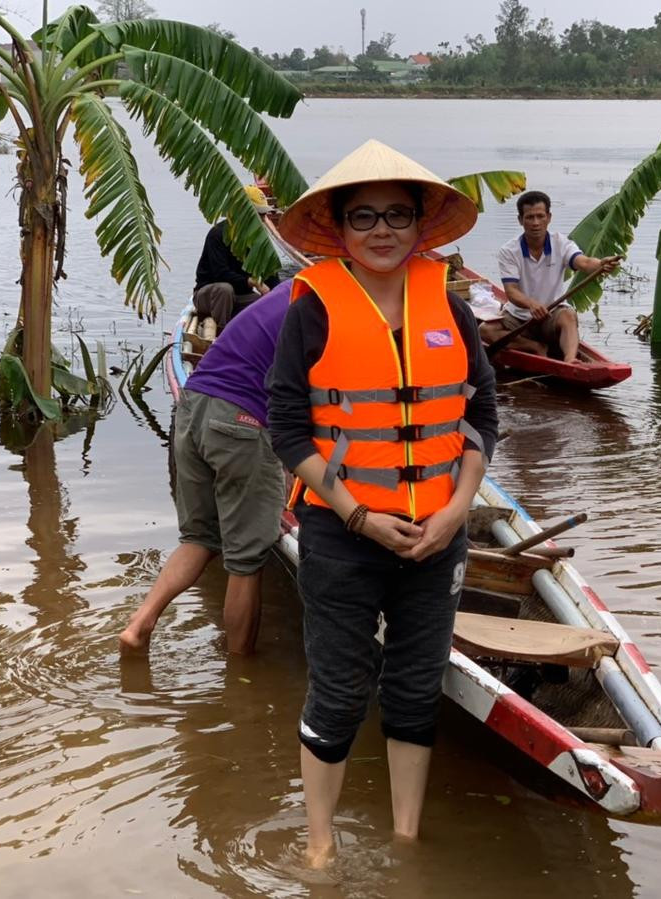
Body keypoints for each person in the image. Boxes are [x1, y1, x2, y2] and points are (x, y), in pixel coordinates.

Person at [266, 139, 498, 868]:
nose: (381, 229)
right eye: (363, 215)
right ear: (338, 227)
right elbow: (286, 426)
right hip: (343, 531)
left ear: (420, 223)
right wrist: (360, 514)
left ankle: (405, 838)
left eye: (397, 214)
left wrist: (457, 511)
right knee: (338, 689)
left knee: (413, 686)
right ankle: (319, 844)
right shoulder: (313, 309)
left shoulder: (450, 309)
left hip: (438, 535)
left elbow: (481, 416)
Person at [119, 284, 291, 655]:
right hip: (239, 418)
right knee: (246, 559)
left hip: (193, 405)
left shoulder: (287, 293)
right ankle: (239, 678)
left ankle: (139, 625)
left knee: (199, 537)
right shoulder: (333, 305)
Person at [487, 190, 619, 363]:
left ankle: (570, 359)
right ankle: (533, 347)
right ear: (520, 220)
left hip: (552, 315)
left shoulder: (561, 243)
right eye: (530, 217)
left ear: (548, 217)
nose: (536, 223)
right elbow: (511, 292)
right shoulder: (509, 251)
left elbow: (585, 263)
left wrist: (601, 264)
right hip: (519, 317)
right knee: (485, 331)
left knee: (569, 315)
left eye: (540, 216)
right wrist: (531, 304)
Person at [192, 184, 282, 331]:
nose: (262, 219)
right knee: (225, 290)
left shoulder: (258, 241)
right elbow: (220, 274)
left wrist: (281, 297)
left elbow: (272, 278)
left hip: (240, 297)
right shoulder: (218, 234)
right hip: (210, 296)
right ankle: (221, 333)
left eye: (263, 215)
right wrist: (253, 282)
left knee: (264, 305)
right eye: (258, 215)